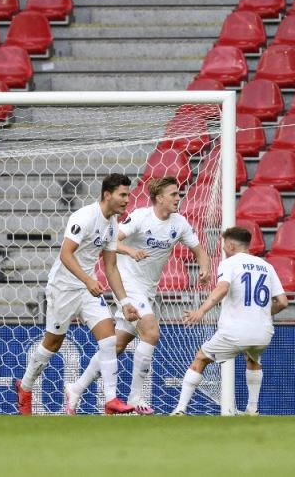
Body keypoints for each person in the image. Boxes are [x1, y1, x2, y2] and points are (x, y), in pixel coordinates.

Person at [65, 176, 211, 415]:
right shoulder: (141, 217)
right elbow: (112, 241)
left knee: (117, 345)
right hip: (127, 282)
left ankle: (76, 388)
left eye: (178, 194)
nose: (178, 198)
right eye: (173, 194)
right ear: (159, 198)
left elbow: (199, 250)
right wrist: (131, 251)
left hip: (147, 289)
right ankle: (135, 397)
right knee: (151, 332)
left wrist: (203, 268)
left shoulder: (180, 223)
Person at [16, 173, 140, 415]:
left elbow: (111, 266)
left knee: (108, 339)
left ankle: (111, 399)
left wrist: (124, 302)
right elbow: (65, 254)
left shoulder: (113, 225)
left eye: (128, 194)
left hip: (86, 289)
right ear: (107, 195)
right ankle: (26, 386)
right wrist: (88, 279)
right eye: (123, 195)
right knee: (53, 343)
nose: (127, 199)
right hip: (63, 288)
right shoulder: (84, 216)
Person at [171, 227, 288, 416]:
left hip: (236, 331)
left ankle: (180, 409)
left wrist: (200, 310)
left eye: (224, 244)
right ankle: (252, 409)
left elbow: (223, 288)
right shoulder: (267, 266)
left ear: (231, 245)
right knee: (253, 359)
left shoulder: (230, 263)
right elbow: (283, 302)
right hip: (263, 332)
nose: (223, 248)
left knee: (201, 358)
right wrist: (264, 312)